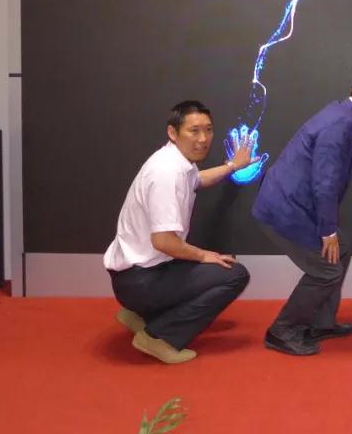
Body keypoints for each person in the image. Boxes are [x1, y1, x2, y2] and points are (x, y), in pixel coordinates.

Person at [252, 62, 352, 356]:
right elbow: (325, 183)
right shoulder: (340, 124)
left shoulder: (345, 117)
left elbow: (351, 154)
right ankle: (282, 331)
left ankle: (320, 322)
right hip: (284, 210)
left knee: (341, 249)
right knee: (326, 271)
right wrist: (327, 231)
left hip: (293, 205)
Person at [104, 100, 256, 364]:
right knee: (234, 275)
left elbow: (198, 180)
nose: (203, 139)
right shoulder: (167, 173)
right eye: (194, 131)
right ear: (172, 133)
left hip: (138, 273)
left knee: (211, 265)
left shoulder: (176, 161)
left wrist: (233, 165)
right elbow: (163, 241)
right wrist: (204, 255)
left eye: (208, 130)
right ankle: (158, 337)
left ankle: (140, 315)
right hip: (140, 280)